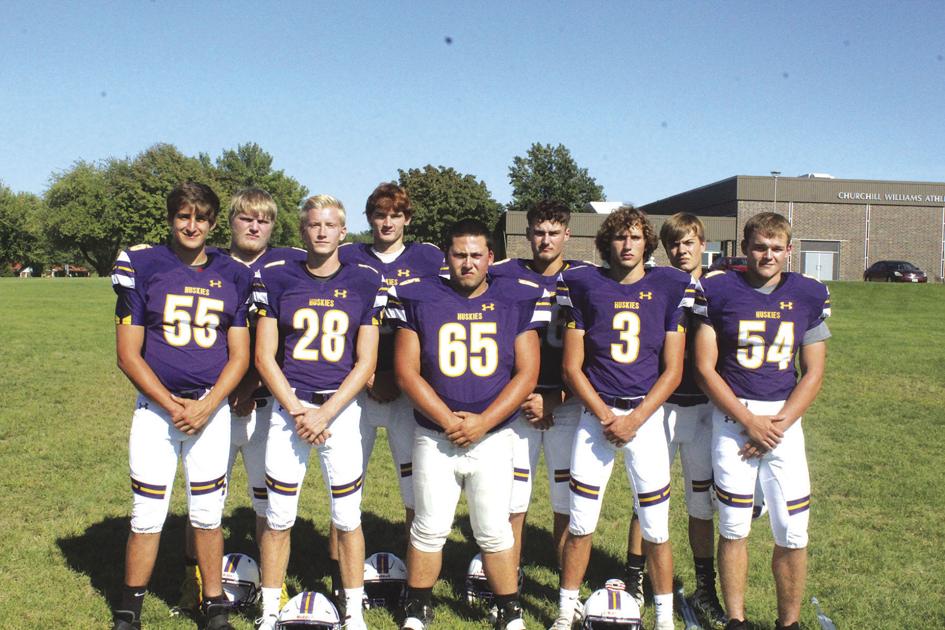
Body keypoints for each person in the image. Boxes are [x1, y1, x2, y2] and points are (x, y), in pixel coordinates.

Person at [387, 219, 549, 630]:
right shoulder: (419, 296)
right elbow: (407, 372)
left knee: (494, 529)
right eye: (459, 254)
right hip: (434, 434)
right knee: (429, 527)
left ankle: (508, 608)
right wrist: (447, 420)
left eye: (476, 255)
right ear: (447, 256)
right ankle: (418, 606)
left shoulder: (515, 298)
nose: (468, 263)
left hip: (493, 435)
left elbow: (527, 373)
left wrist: (483, 422)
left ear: (491, 257)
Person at [110, 181, 253, 630]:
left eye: (201, 217)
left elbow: (240, 355)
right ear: (171, 218)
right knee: (147, 513)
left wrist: (210, 404)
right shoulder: (144, 264)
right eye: (183, 216)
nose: (191, 225)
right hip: (157, 412)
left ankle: (214, 604)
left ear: (213, 223)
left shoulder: (234, 274)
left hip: (209, 414)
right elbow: (127, 354)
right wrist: (169, 403)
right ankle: (129, 609)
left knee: (208, 514)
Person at [551, 205, 698, 630]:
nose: (627, 244)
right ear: (606, 243)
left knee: (656, 525)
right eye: (619, 237)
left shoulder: (669, 285)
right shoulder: (583, 284)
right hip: (596, 417)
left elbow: (673, 369)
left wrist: (634, 419)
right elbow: (572, 368)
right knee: (581, 522)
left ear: (647, 242)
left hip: (646, 416)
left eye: (635, 237)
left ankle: (665, 619)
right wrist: (604, 416)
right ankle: (566, 611)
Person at [253, 195, 385, 630]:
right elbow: (264, 356)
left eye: (331, 225)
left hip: (340, 410)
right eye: (314, 225)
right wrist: (297, 410)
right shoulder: (277, 278)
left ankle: (354, 612)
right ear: (303, 231)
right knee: (279, 515)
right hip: (289, 408)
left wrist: (325, 413)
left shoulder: (365, 281)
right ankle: (270, 611)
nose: (322, 232)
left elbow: (366, 361)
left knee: (348, 516)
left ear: (344, 232)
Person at [693, 212, 830, 630]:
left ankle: (788, 622)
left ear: (789, 250)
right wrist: (749, 421)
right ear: (744, 248)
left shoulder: (807, 293)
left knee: (792, 530)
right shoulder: (717, 289)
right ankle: (736, 619)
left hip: (784, 421)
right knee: (734, 525)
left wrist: (775, 426)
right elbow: (704, 368)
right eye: (759, 247)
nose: (767, 255)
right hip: (734, 418)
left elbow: (814, 372)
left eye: (775, 248)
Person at [176, 188, 303, 613]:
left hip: (266, 401)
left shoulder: (288, 268)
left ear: (273, 226)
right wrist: (224, 392)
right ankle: (194, 582)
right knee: (203, 497)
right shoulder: (208, 264)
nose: (254, 226)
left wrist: (248, 388)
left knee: (267, 499)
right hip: (213, 402)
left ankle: (274, 586)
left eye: (263, 220)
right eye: (246, 218)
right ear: (228, 221)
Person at [331, 182, 444, 594]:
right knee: (344, 482)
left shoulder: (429, 258)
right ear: (370, 219)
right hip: (356, 387)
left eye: (396, 215)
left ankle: (414, 571)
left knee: (413, 485)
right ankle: (337, 572)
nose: (388, 222)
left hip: (406, 390)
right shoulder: (349, 257)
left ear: (407, 219)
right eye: (380, 214)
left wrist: (399, 376)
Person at [622, 213, 726, 627]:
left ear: (703, 243)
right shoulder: (659, 284)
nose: (682, 251)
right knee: (646, 497)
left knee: (701, 503)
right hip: (659, 406)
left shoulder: (720, 287)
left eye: (689, 243)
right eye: (675, 244)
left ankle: (705, 587)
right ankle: (634, 581)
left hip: (702, 408)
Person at [488, 199, 581, 570]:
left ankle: (564, 580)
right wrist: (523, 393)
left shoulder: (583, 278)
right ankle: (509, 576)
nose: (546, 240)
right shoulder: (503, 274)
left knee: (566, 500)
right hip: (517, 400)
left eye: (553, 233)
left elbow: (596, 349)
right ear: (527, 234)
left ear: (567, 235)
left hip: (567, 401)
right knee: (513, 498)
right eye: (539, 232)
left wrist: (557, 397)